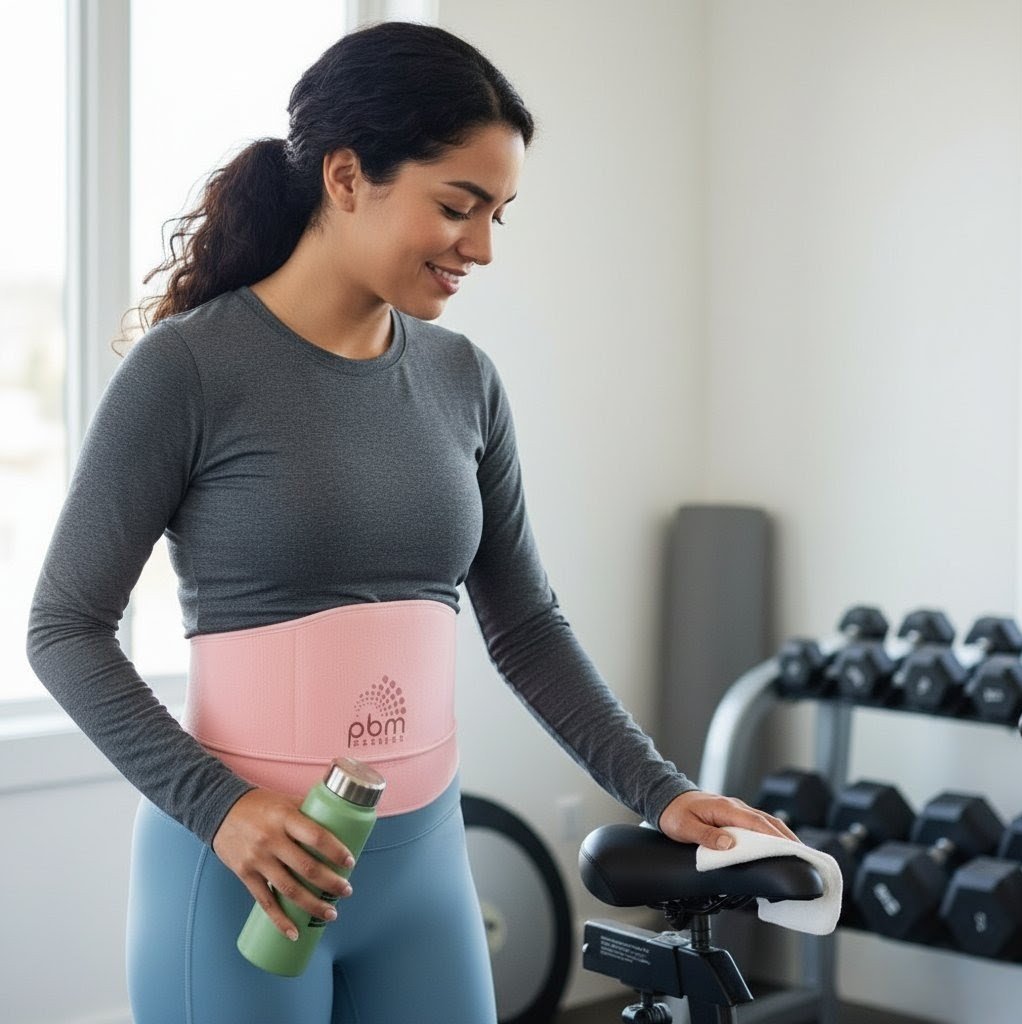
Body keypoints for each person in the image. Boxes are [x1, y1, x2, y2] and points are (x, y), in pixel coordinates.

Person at [26, 20, 796, 1024]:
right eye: (457, 205)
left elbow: (523, 623)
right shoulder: (188, 371)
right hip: (240, 872)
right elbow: (63, 627)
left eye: (497, 215)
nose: (478, 246)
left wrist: (658, 789)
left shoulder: (462, 380)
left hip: (421, 866)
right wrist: (222, 810)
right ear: (346, 177)